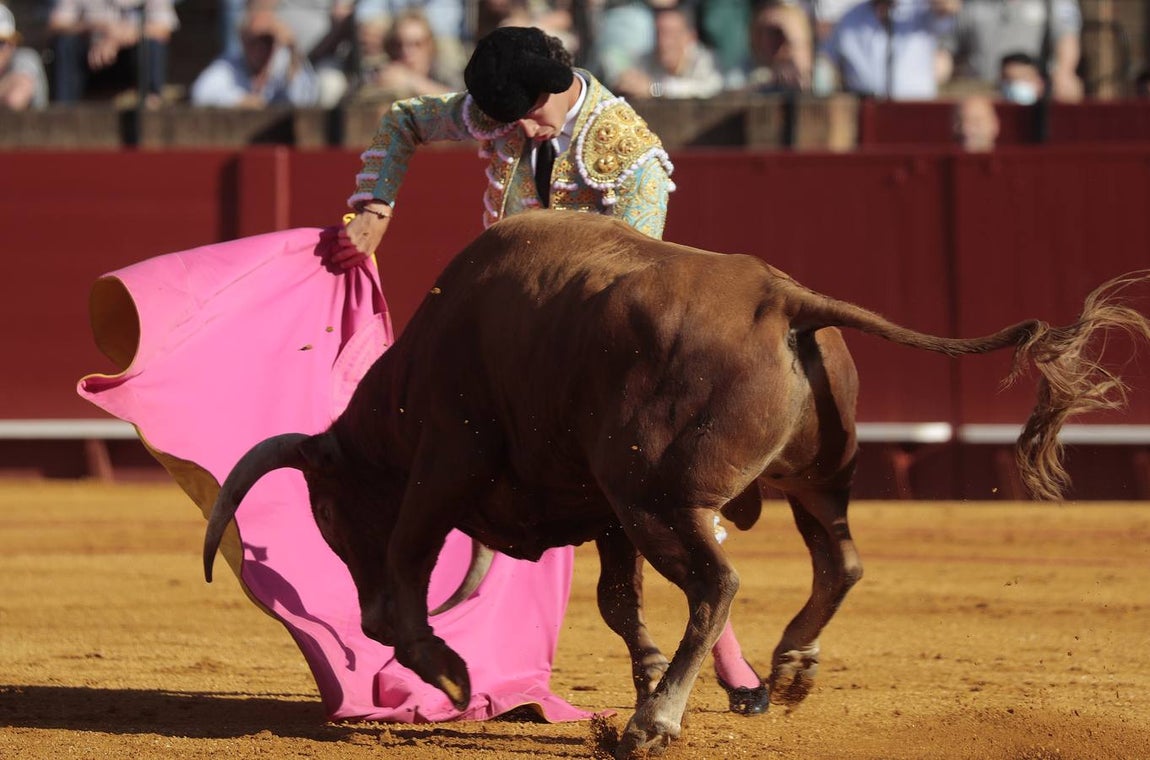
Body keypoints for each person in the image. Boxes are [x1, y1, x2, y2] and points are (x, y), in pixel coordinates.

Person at [329, 24, 770, 715]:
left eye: (529, 115)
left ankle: (725, 651)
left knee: (651, 493)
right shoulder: (507, 112)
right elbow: (404, 118)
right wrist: (376, 203)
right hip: (505, 349)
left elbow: (632, 285)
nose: (520, 132)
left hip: (589, 357)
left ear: (554, 89)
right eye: (506, 121)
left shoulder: (633, 165)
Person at [46, 0, 178, 106]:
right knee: (66, 43)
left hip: (129, 59)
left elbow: (163, 29)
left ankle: (151, 102)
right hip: (90, 60)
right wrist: (98, 28)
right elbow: (56, 25)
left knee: (151, 44)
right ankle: (64, 107)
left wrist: (118, 38)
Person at [819, 0, 958, 100]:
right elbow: (826, 61)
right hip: (866, 113)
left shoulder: (920, 10)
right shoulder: (850, 19)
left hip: (915, 111)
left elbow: (947, 7)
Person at [951, 0, 1083, 102]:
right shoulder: (969, 4)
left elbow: (1066, 36)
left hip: (1031, 91)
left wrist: (1064, 73)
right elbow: (945, 47)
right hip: (983, 90)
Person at [190, 6, 320, 108]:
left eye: (267, 41)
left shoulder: (284, 62)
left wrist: (293, 49)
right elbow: (200, 93)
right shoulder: (230, 64)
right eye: (254, 41)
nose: (261, 47)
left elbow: (305, 98)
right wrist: (243, 101)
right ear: (243, 41)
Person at [611, 4, 724, 100]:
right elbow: (628, 79)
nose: (663, 42)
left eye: (670, 34)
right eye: (658, 34)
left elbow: (711, 88)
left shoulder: (704, 60)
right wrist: (625, 84)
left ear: (690, 37)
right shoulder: (646, 59)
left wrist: (654, 89)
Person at [354, 8, 460, 101]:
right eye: (399, 44)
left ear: (430, 46)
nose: (406, 52)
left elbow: (460, 104)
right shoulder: (382, 72)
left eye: (417, 44)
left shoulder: (445, 72)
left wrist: (412, 82)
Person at [726, 0, 814, 93]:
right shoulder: (741, 72)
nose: (771, 40)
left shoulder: (818, 68)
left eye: (778, 33)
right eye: (764, 32)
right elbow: (731, 93)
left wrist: (796, 46)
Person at [0, 3, 49, 110]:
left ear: (12, 44)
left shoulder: (26, 58)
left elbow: (15, 99)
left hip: (35, 126)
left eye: (0, 43)